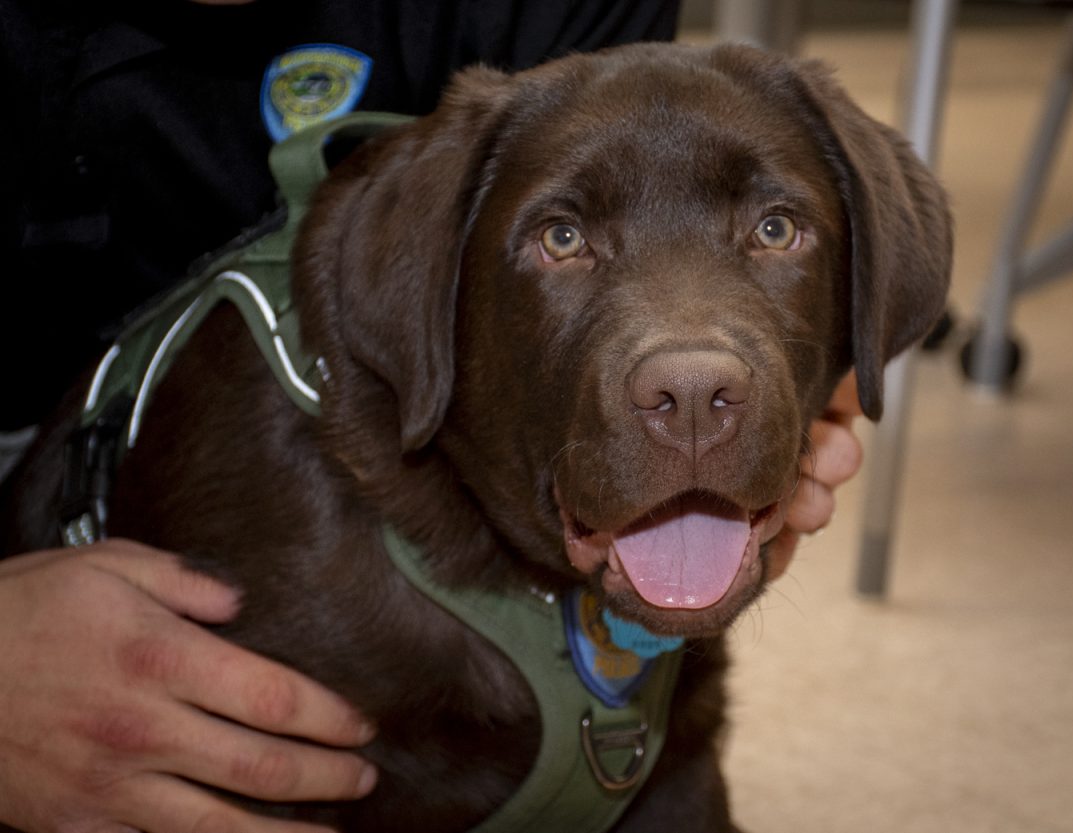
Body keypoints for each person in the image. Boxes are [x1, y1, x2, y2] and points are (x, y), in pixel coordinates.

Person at [0, 1, 864, 830]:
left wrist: (810, 392)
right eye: (563, 238)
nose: (688, 369)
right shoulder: (293, 559)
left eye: (777, 228)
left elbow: (643, 156)